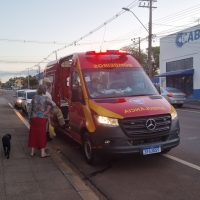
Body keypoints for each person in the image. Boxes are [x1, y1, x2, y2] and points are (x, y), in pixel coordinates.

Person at [28, 85, 52, 157]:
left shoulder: (34, 97)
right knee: (41, 135)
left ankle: (32, 152)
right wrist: (46, 111)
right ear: (44, 90)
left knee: (33, 134)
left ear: (38, 90)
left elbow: (30, 109)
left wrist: (29, 118)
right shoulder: (45, 98)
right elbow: (52, 104)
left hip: (34, 118)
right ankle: (42, 153)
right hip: (41, 119)